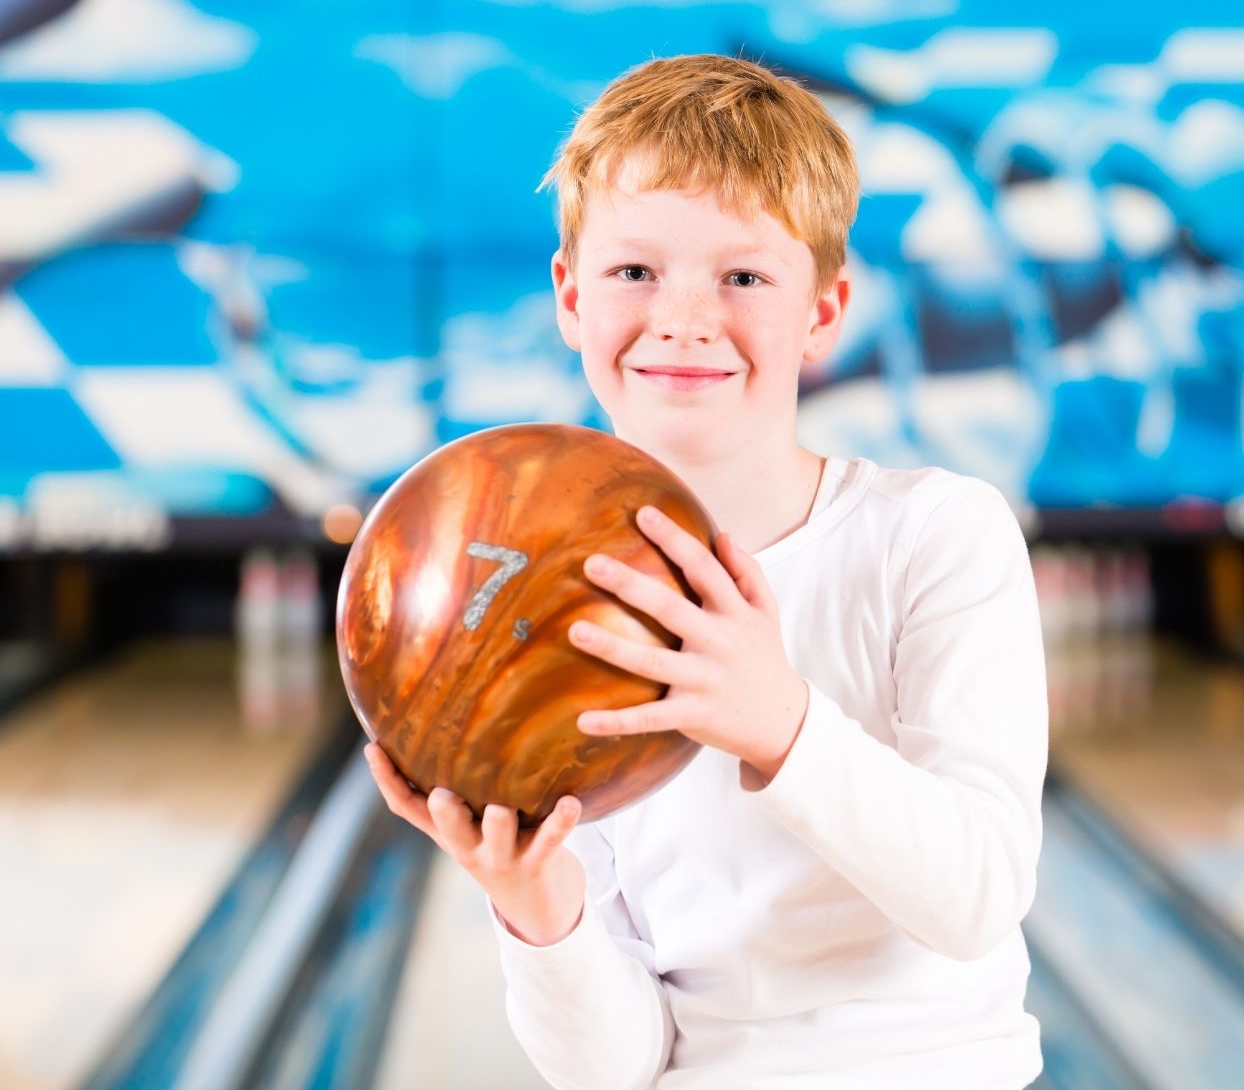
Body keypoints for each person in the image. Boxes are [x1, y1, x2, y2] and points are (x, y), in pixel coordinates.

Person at [364, 53, 1049, 1088]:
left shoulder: (939, 535)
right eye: (635, 272)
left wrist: (777, 719)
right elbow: (618, 1067)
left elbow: (978, 896)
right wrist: (539, 907)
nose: (684, 317)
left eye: (743, 276)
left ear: (822, 310)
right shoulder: (549, 624)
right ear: (570, 296)